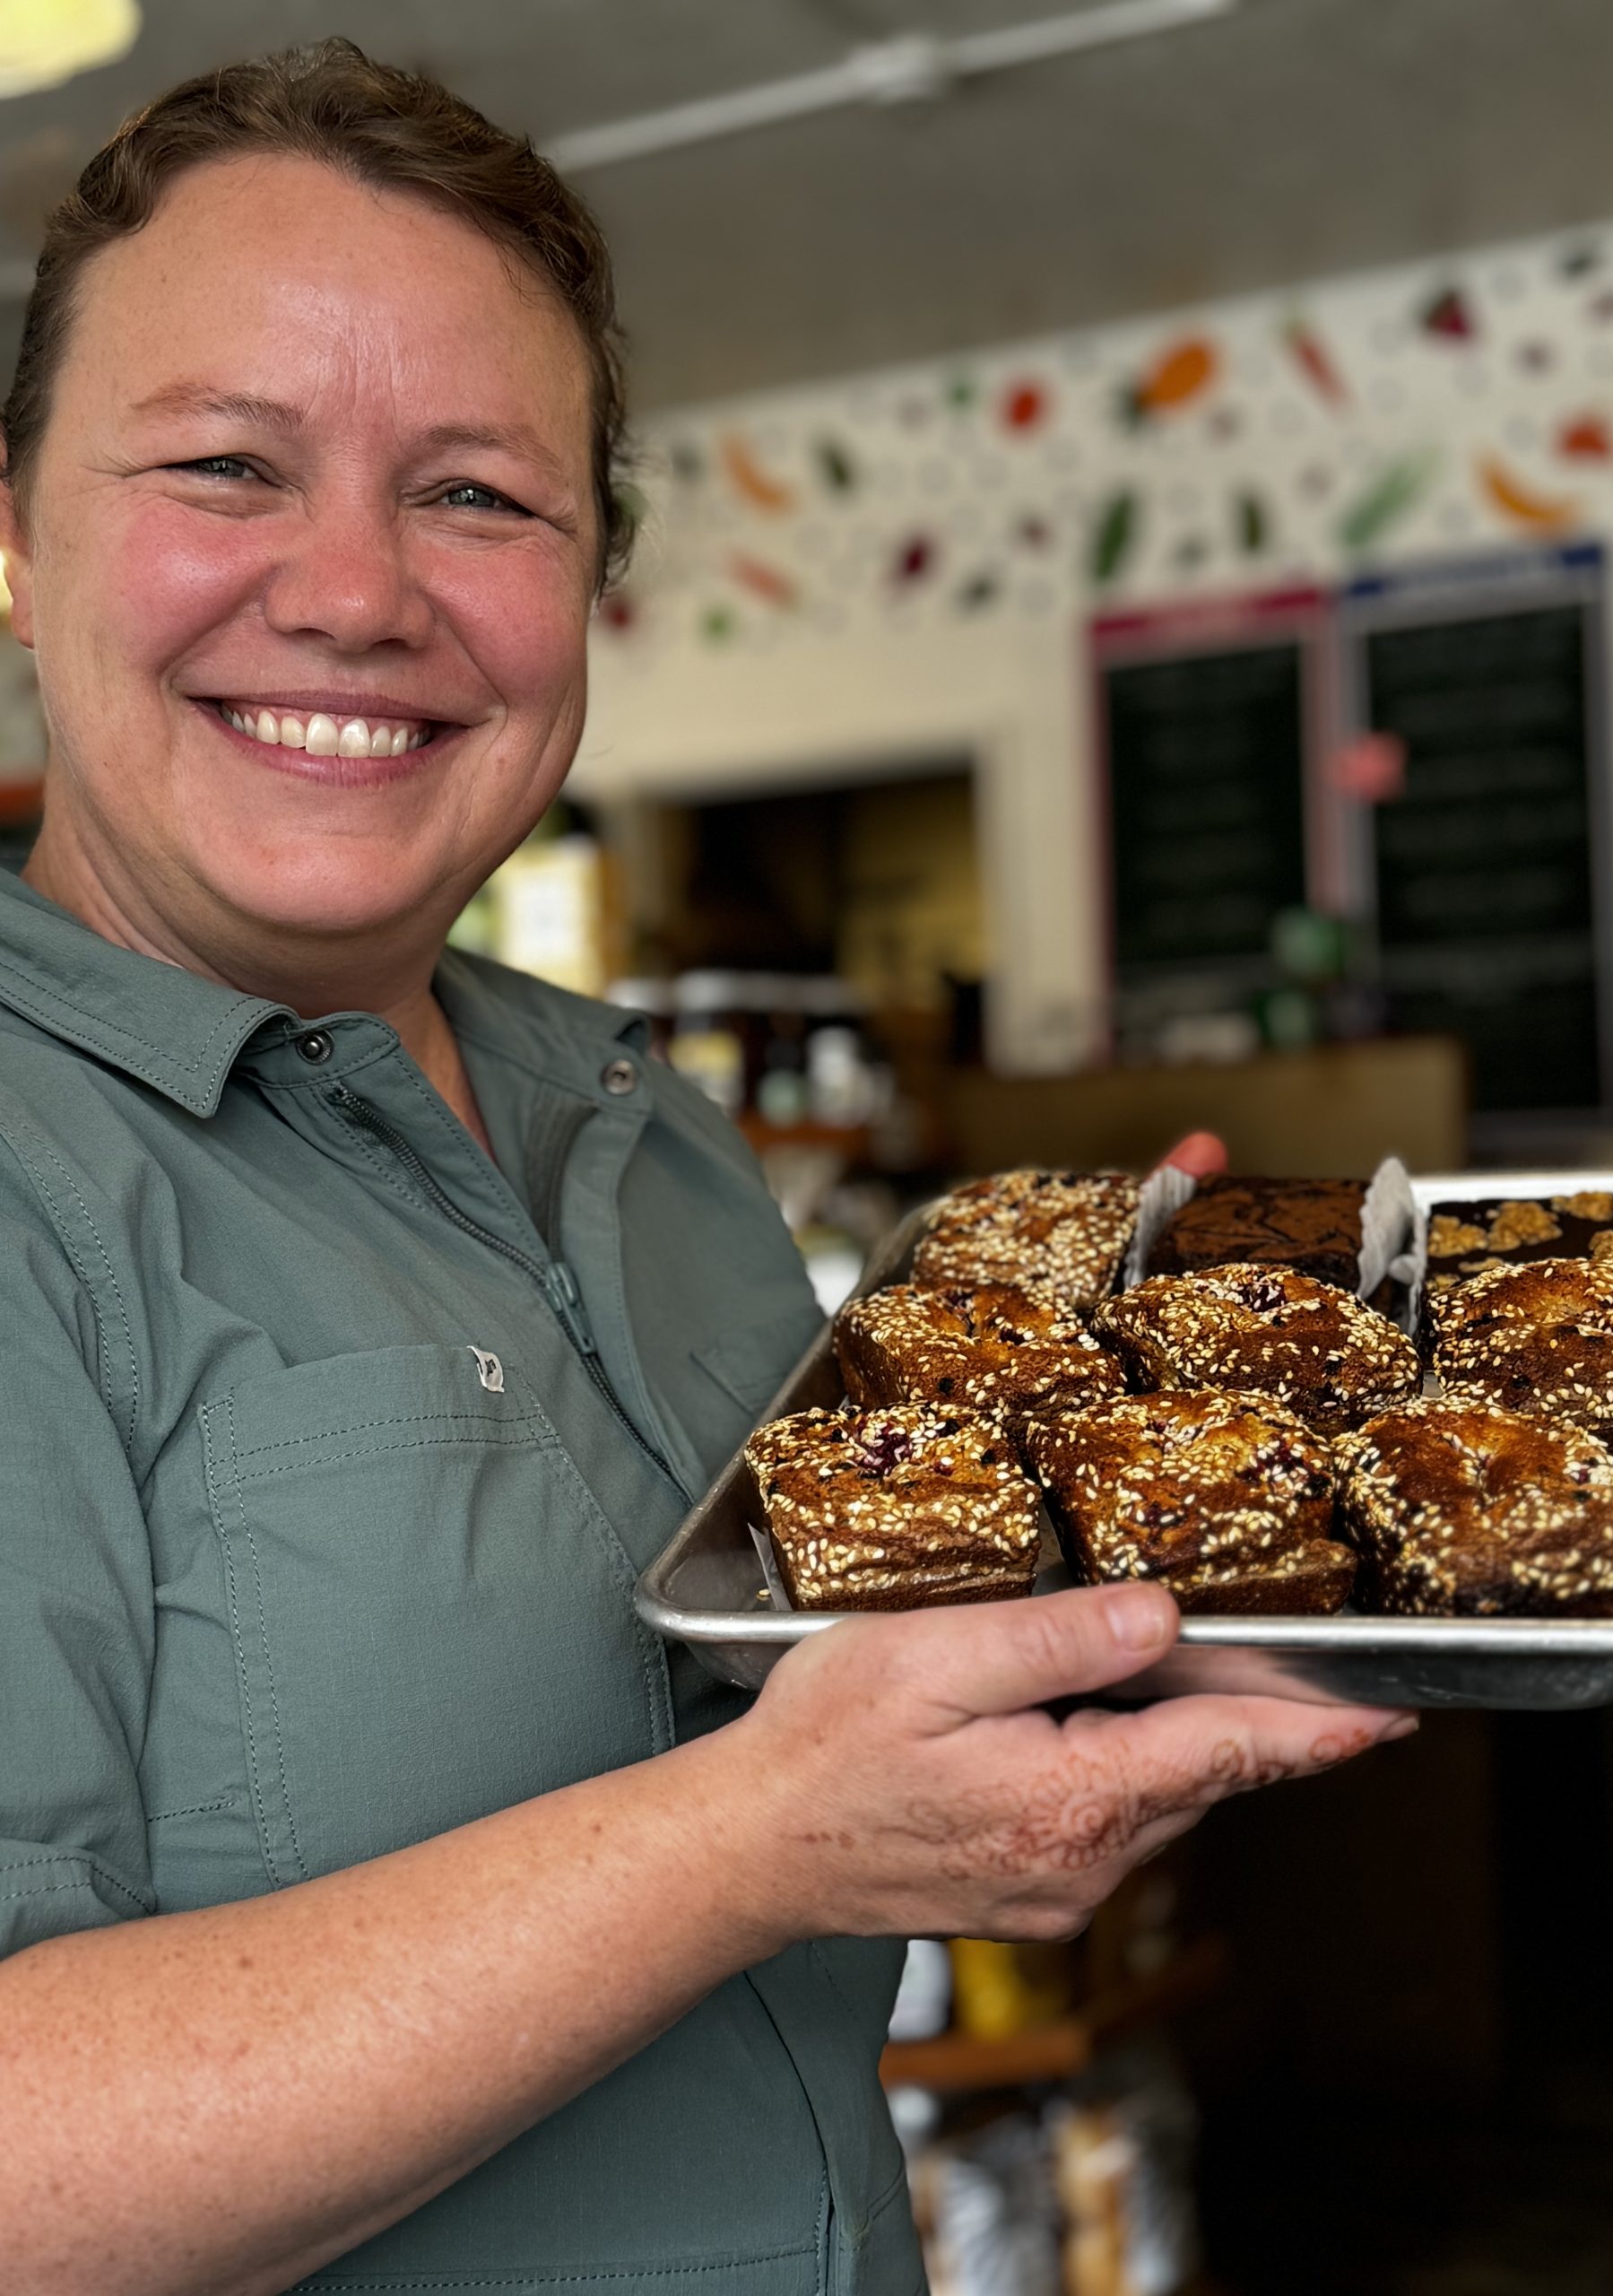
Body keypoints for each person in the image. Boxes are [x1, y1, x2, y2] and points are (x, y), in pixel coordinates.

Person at [0, 42, 1412, 2296]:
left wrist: (1105, 1465)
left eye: (480, 494)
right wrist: (754, 1841)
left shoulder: (643, 1129)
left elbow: (827, 1704)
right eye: (226, 462)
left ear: (592, 585)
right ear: (12, 531)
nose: (357, 591)